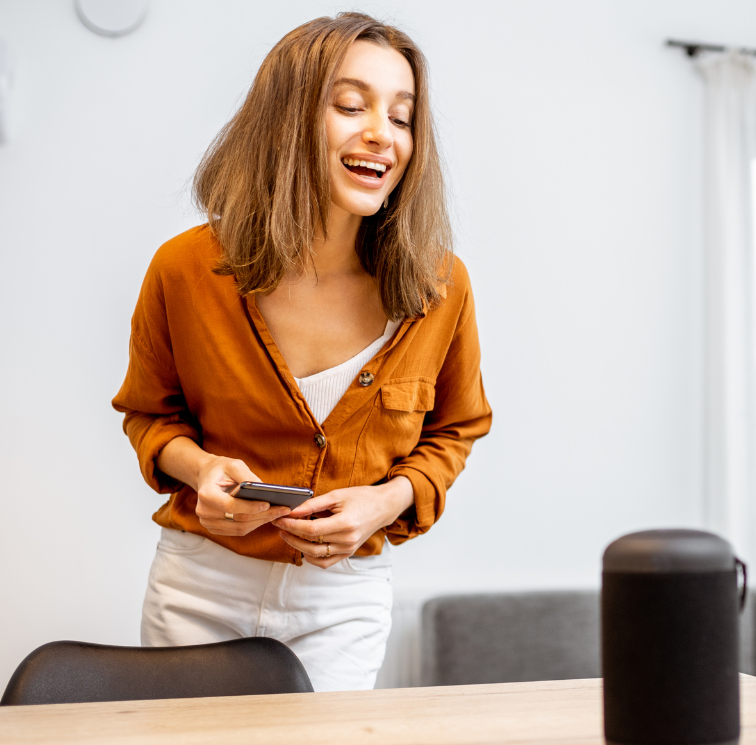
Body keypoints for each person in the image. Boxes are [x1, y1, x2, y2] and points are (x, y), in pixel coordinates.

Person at [111, 12, 491, 692]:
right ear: (286, 120)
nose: (383, 133)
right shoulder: (183, 269)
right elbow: (149, 416)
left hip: (340, 600)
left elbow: (455, 431)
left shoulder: (441, 285)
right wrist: (199, 470)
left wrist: (385, 502)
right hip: (200, 585)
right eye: (351, 105)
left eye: (402, 118)